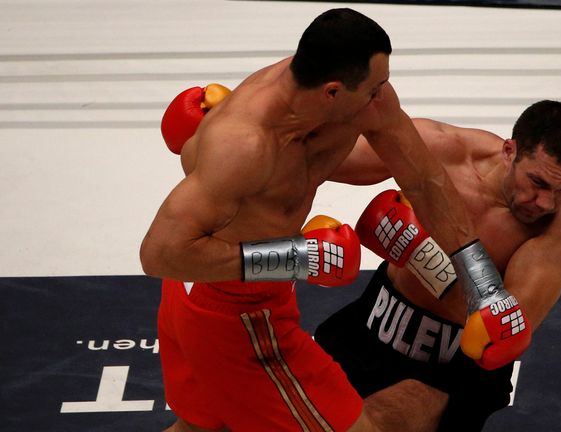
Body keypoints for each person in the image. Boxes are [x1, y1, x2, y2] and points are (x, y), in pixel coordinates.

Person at [139, 8, 492, 432]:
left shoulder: (359, 101)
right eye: (374, 87)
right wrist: (295, 258)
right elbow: (160, 254)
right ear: (332, 92)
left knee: (202, 427)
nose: (384, 94)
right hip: (233, 318)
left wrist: (483, 284)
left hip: (229, 302)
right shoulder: (246, 142)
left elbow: (424, 177)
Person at [316, 100, 561, 431]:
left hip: (452, 369)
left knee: (371, 425)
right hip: (374, 323)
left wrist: (425, 260)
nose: (547, 203)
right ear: (510, 151)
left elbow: (504, 334)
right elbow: (318, 162)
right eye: (538, 183)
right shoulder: (440, 149)